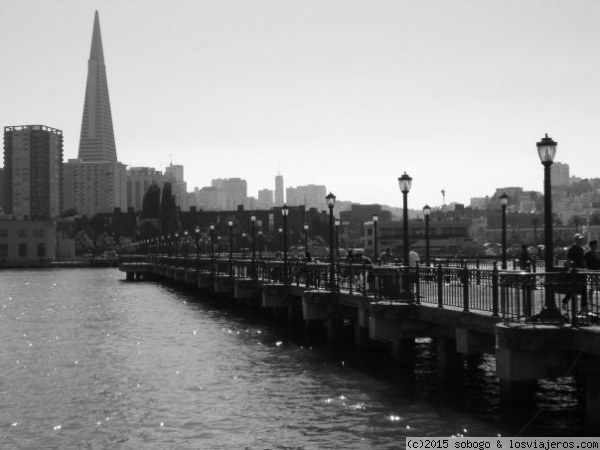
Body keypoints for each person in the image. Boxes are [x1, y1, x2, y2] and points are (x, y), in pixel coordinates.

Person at [562, 233, 587, 312]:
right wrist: (569, 270)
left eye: (581, 239)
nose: (580, 241)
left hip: (581, 271)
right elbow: (568, 260)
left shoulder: (581, 249)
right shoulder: (571, 249)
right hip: (574, 272)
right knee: (573, 289)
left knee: (583, 288)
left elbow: (583, 260)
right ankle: (564, 301)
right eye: (579, 239)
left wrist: (585, 269)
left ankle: (583, 307)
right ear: (575, 240)